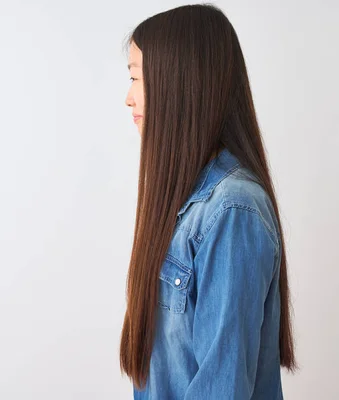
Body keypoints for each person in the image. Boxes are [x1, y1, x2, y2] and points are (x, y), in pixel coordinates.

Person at [120, 4, 296, 399]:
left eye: (136, 77)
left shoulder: (232, 210)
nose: (129, 98)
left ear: (179, 83)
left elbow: (223, 389)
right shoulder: (185, 201)